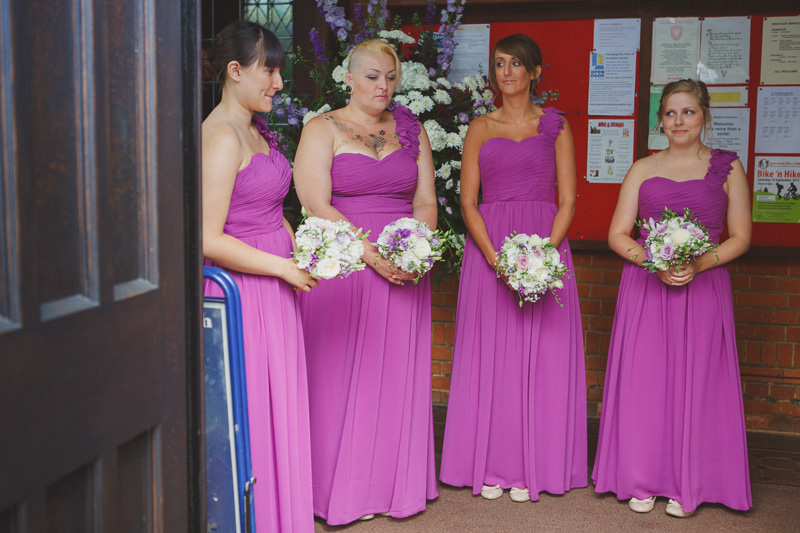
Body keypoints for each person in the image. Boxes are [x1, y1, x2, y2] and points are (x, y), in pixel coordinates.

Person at [292, 39, 439, 525]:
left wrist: (420, 249)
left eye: (391, 77)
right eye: (373, 76)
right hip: (346, 265)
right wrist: (372, 255)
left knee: (393, 375)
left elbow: (425, 201)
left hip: (403, 265)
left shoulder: (413, 130)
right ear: (348, 78)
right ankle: (334, 491)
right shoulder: (322, 128)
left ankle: (392, 485)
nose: (383, 86)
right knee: (335, 376)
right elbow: (316, 204)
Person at [592, 79, 752, 517]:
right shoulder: (643, 168)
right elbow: (616, 234)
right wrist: (652, 261)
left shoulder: (727, 167)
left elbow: (741, 237)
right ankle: (642, 477)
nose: (679, 121)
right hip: (646, 288)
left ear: (705, 116)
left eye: (688, 112)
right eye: (670, 113)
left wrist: (699, 264)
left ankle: (689, 481)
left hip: (703, 287)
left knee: (699, 383)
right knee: (645, 382)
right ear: (660, 119)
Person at [439, 33, 587, 503]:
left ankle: (534, 465)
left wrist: (544, 254)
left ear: (535, 72)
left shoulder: (556, 126)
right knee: (491, 357)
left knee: (544, 354)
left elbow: (568, 200)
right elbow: (467, 201)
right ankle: (491, 461)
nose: (506, 72)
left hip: (546, 246)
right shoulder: (480, 127)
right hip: (491, 249)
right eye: (499, 63)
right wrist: (494, 257)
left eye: (516, 64)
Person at [202, 20, 317, 532]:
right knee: (252, 411)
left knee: (280, 407)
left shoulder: (253, 127)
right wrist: (281, 267)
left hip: (276, 282)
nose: (277, 82)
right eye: (268, 70)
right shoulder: (221, 136)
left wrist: (307, 247)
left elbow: (270, 207)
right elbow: (206, 238)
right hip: (243, 290)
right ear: (234, 71)